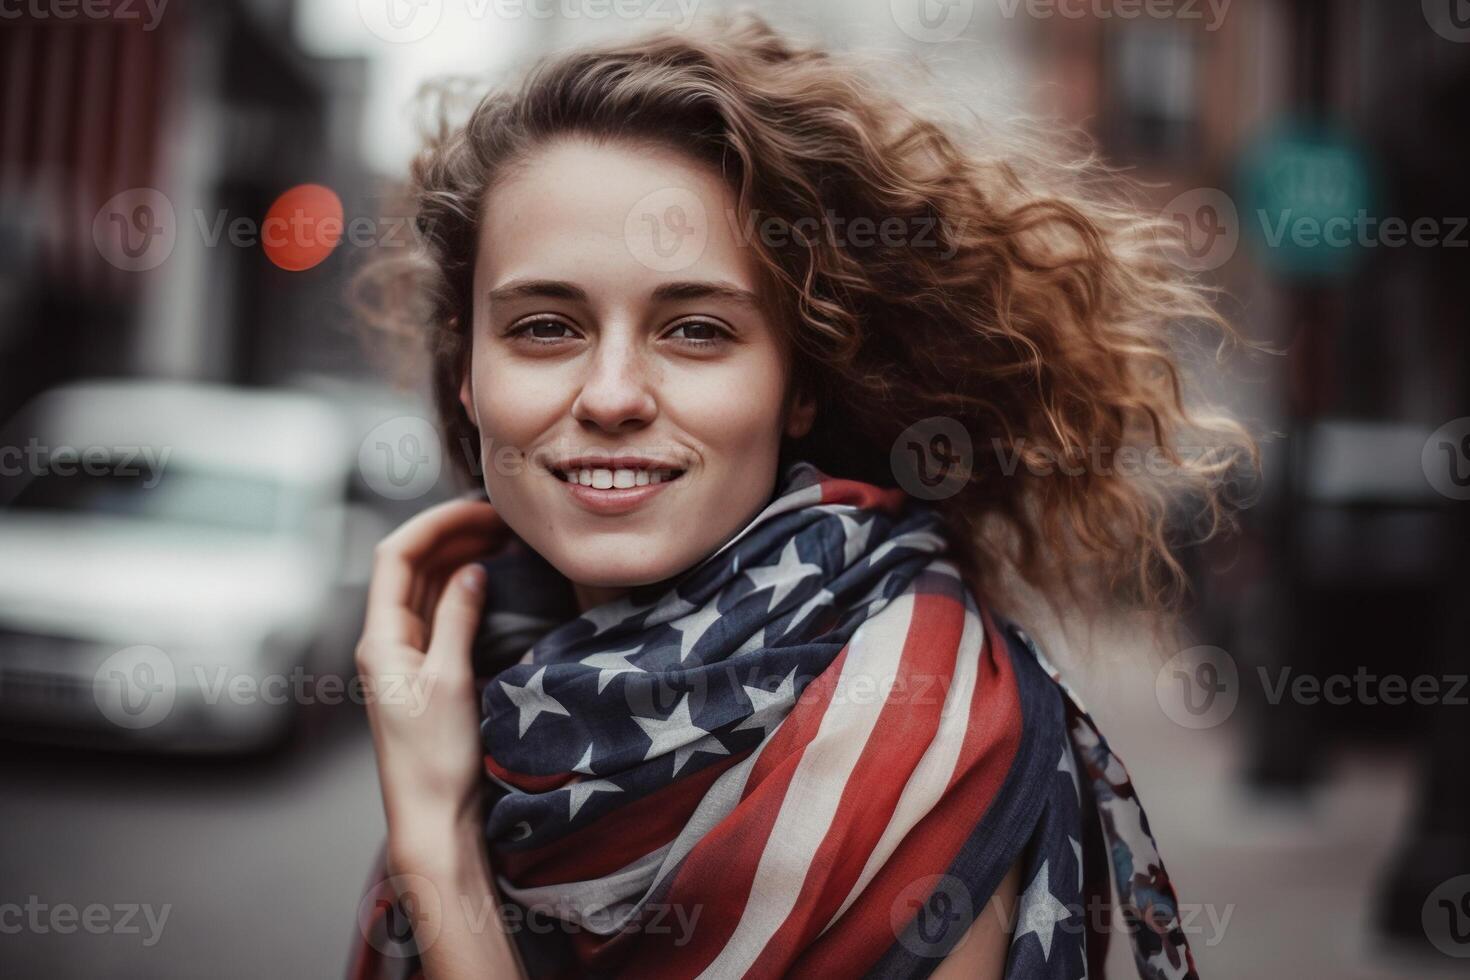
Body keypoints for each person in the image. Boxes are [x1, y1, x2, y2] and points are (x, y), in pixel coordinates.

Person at [345, 12, 1257, 979]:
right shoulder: (494, 684)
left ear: (801, 383)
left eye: (696, 330)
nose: (612, 395)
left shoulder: (929, 740)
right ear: (467, 372)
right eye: (543, 327)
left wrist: (439, 848)